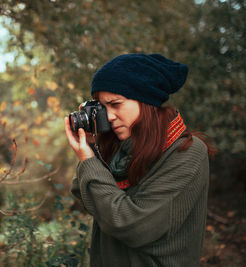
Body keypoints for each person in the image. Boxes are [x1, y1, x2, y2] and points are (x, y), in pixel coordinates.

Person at [64, 54, 216, 267]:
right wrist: (90, 148)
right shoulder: (120, 145)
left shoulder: (186, 153)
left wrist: (90, 162)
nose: (108, 117)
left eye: (115, 104)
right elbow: (84, 193)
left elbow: (132, 226)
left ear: (146, 100)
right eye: (102, 108)